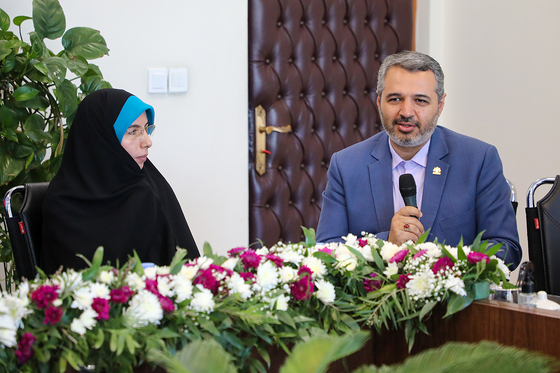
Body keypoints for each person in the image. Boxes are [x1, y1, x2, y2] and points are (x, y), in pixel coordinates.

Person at [316, 51, 521, 269]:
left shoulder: (478, 160)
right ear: (378, 102)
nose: (406, 112)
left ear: (440, 105)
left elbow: (505, 248)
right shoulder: (346, 165)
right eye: (395, 99)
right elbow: (326, 251)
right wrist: (385, 244)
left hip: (454, 300)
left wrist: (439, 266)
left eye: (420, 101)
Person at [41, 88, 199, 274]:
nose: (148, 141)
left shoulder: (150, 187)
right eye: (133, 132)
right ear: (101, 138)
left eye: (147, 129)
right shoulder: (63, 205)